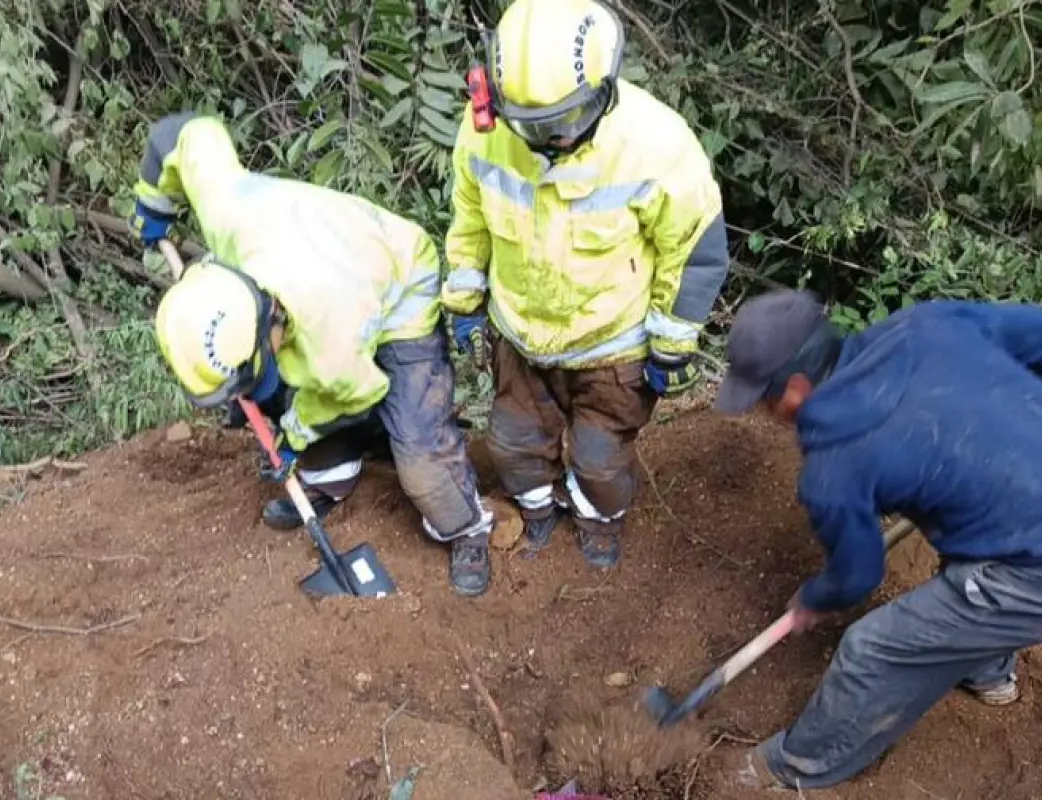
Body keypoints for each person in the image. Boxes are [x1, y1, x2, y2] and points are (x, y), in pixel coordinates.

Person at [713, 288, 1042, 790]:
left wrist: (814, 599)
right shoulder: (928, 326)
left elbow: (859, 574)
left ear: (795, 390)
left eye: (762, 397)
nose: (761, 409)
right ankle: (987, 674)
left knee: (872, 650)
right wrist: (1038, 410)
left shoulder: (834, 467)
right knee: (970, 558)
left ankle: (795, 766)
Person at [130, 112, 496, 597]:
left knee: (418, 451)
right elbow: (182, 135)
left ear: (268, 322)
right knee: (286, 393)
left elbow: (354, 392)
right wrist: (153, 204)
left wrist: (292, 438)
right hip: (330, 263)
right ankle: (332, 477)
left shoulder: (331, 341)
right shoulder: (225, 215)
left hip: (401, 279)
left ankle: (466, 526)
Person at [441, 0, 730, 568]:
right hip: (521, 337)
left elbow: (693, 248)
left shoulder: (656, 145)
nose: (552, 140)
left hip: (613, 347)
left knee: (601, 460)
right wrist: (465, 303)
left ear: (603, 88)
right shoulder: (482, 135)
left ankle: (598, 517)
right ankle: (538, 509)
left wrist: (672, 345)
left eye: (566, 121)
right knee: (511, 442)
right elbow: (469, 223)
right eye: (533, 126)